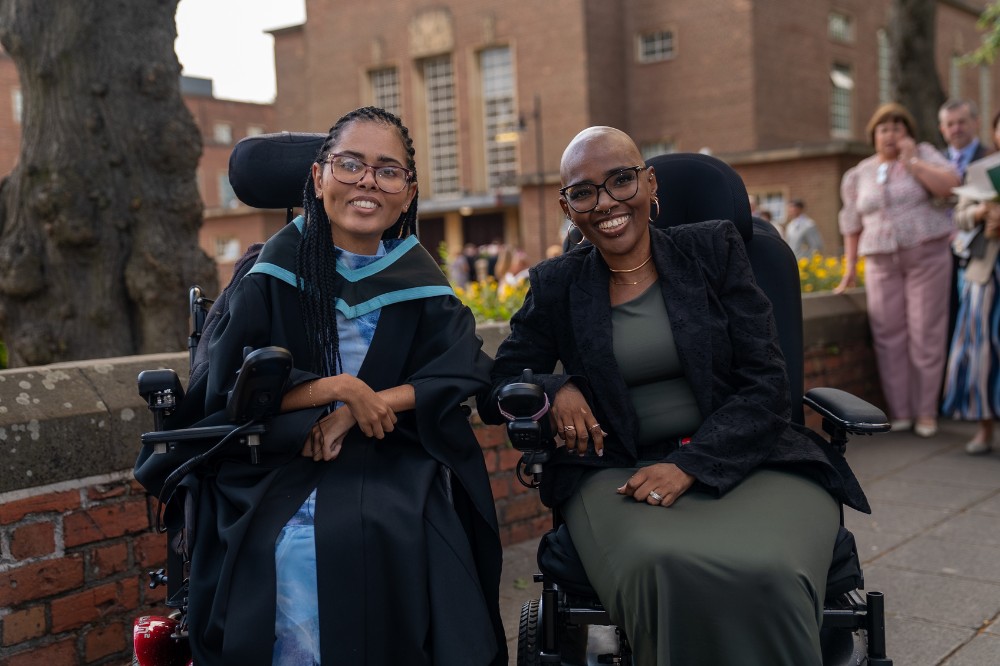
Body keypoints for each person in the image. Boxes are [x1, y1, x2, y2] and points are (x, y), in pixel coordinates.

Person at [480, 126, 870, 666]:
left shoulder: (712, 250)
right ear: (568, 207)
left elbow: (767, 383)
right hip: (618, 473)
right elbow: (500, 382)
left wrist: (690, 465)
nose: (607, 202)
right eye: (584, 191)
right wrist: (554, 387)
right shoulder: (558, 283)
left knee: (770, 569)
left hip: (752, 459)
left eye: (621, 180)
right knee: (662, 564)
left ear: (649, 183)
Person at [154, 107, 506, 665]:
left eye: (388, 171)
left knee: (411, 531)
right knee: (295, 543)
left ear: (407, 192)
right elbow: (227, 390)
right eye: (350, 165)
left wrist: (371, 402)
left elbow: (462, 366)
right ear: (318, 179)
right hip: (279, 457)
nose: (368, 181)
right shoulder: (272, 270)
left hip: (392, 452)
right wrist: (336, 389)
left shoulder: (417, 277)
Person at [835, 103, 960, 438]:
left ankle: (926, 412)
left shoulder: (925, 155)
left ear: (908, 134)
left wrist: (912, 162)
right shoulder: (859, 173)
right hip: (879, 259)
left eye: (897, 128)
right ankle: (901, 411)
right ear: (873, 135)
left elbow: (950, 186)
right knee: (888, 335)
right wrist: (849, 268)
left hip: (925, 254)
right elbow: (850, 222)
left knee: (926, 333)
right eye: (884, 129)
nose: (890, 135)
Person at [942, 109, 1000, 455]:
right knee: (979, 349)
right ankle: (983, 428)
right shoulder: (981, 169)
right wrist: (980, 213)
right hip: (984, 272)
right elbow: (959, 216)